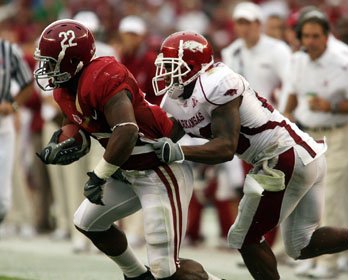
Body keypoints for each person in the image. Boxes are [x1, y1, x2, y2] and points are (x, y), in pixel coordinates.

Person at [150, 30, 348, 280]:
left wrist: (177, 152)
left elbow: (225, 148)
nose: (167, 74)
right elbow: (166, 135)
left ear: (195, 66)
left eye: (174, 66)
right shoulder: (177, 99)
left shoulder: (216, 84)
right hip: (303, 157)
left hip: (283, 157)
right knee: (300, 244)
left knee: (244, 238)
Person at [33, 19, 220, 280]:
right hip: (130, 170)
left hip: (158, 169)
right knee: (88, 221)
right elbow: (79, 126)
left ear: (71, 60)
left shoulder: (104, 74)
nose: (45, 68)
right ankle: (135, 275)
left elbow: (127, 130)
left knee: (167, 272)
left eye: (51, 61)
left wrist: (99, 175)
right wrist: (65, 141)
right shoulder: (64, 90)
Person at [283, 10, 348, 278]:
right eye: (305, 36)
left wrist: (331, 105)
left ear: (326, 35)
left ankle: (330, 264)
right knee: (307, 197)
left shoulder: (344, 59)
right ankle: (313, 253)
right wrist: (284, 118)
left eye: (315, 36)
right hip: (307, 135)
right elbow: (294, 94)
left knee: (333, 197)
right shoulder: (297, 60)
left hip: (338, 134)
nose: (310, 41)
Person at [0, 37, 33, 226]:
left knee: (3, 202)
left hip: (3, 125)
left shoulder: (7, 50)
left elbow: (28, 84)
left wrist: (13, 105)